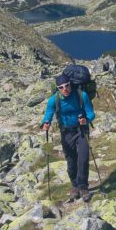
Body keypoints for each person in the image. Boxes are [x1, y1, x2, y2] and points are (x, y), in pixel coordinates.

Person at [41, 73, 96, 202]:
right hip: (66, 132)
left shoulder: (81, 95)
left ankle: (83, 187)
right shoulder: (54, 100)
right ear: (58, 88)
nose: (65, 89)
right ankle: (75, 186)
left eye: (67, 86)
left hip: (81, 130)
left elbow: (91, 113)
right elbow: (48, 113)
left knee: (83, 158)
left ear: (70, 84)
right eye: (61, 87)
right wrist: (46, 123)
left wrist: (86, 120)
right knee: (71, 162)